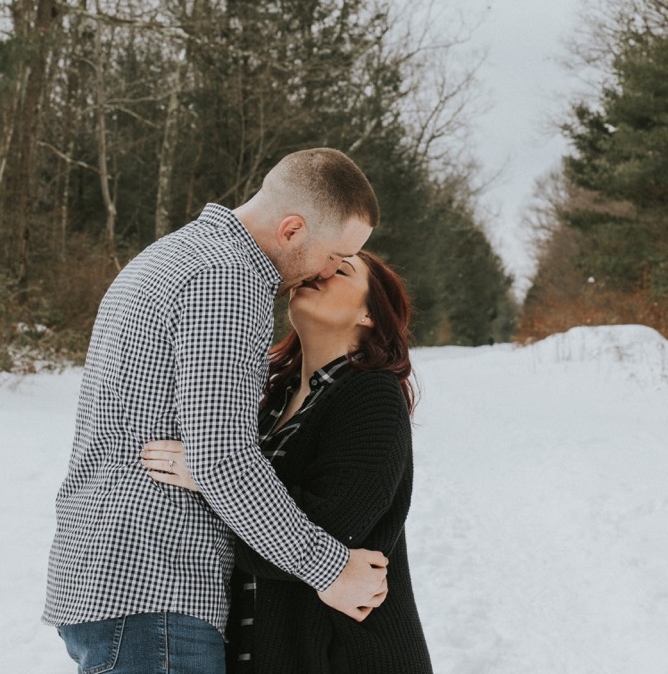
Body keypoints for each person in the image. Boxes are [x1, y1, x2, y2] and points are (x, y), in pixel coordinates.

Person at [44, 148, 392, 674]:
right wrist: (331, 570)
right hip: (155, 582)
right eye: (335, 253)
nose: (328, 270)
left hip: (114, 578)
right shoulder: (227, 281)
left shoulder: (176, 253)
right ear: (293, 229)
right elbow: (222, 458)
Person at [142, 249, 434, 674]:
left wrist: (211, 476)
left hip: (346, 657)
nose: (322, 271)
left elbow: (327, 530)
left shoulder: (372, 395)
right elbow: (259, 523)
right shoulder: (272, 403)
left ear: (369, 315)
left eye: (342, 271)